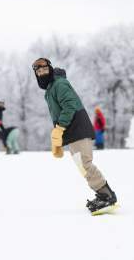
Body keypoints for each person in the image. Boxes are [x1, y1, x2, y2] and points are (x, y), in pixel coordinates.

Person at [32, 57, 117, 213]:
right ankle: (102, 193)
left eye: (45, 70)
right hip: (72, 132)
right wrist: (58, 138)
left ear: (50, 69)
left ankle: (107, 196)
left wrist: (60, 128)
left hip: (78, 128)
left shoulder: (59, 84)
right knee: (82, 166)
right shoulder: (51, 88)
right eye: (39, 72)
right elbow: (59, 112)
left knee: (85, 164)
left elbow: (70, 106)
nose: (42, 73)